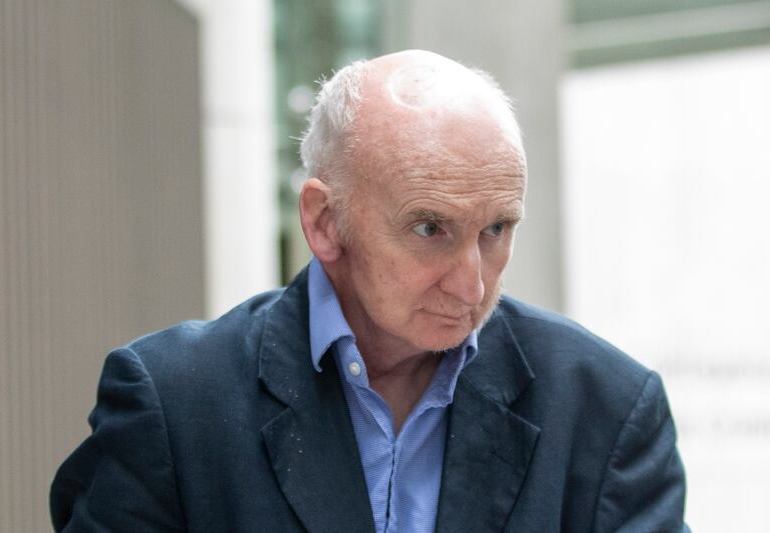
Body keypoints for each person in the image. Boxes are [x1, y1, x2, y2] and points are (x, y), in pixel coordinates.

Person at [51, 50, 688, 532]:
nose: (472, 284)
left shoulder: (607, 410)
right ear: (325, 223)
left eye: (496, 228)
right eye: (430, 228)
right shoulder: (174, 405)